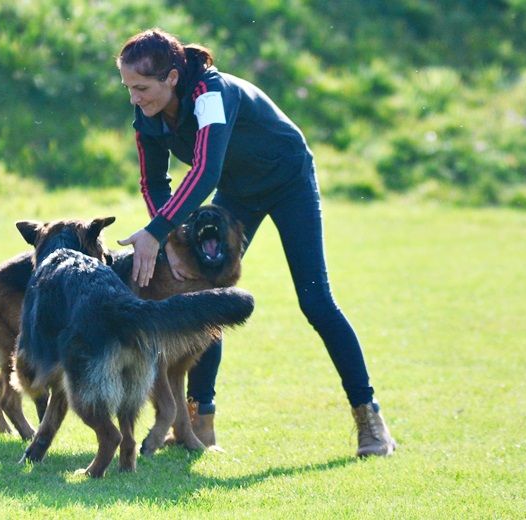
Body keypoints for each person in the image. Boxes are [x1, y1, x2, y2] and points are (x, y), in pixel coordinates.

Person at [115, 28, 396, 457]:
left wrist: (156, 232)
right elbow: (153, 180)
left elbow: (205, 171)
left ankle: (370, 419)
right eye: (128, 88)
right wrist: (169, 236)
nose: (134, 98)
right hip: (239, 192)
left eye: (141, 87)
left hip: (288, 180)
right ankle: (198, 422)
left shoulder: (212, 92)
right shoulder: (147, 115)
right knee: (204, 298)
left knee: (316, 301)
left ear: (172, 77)